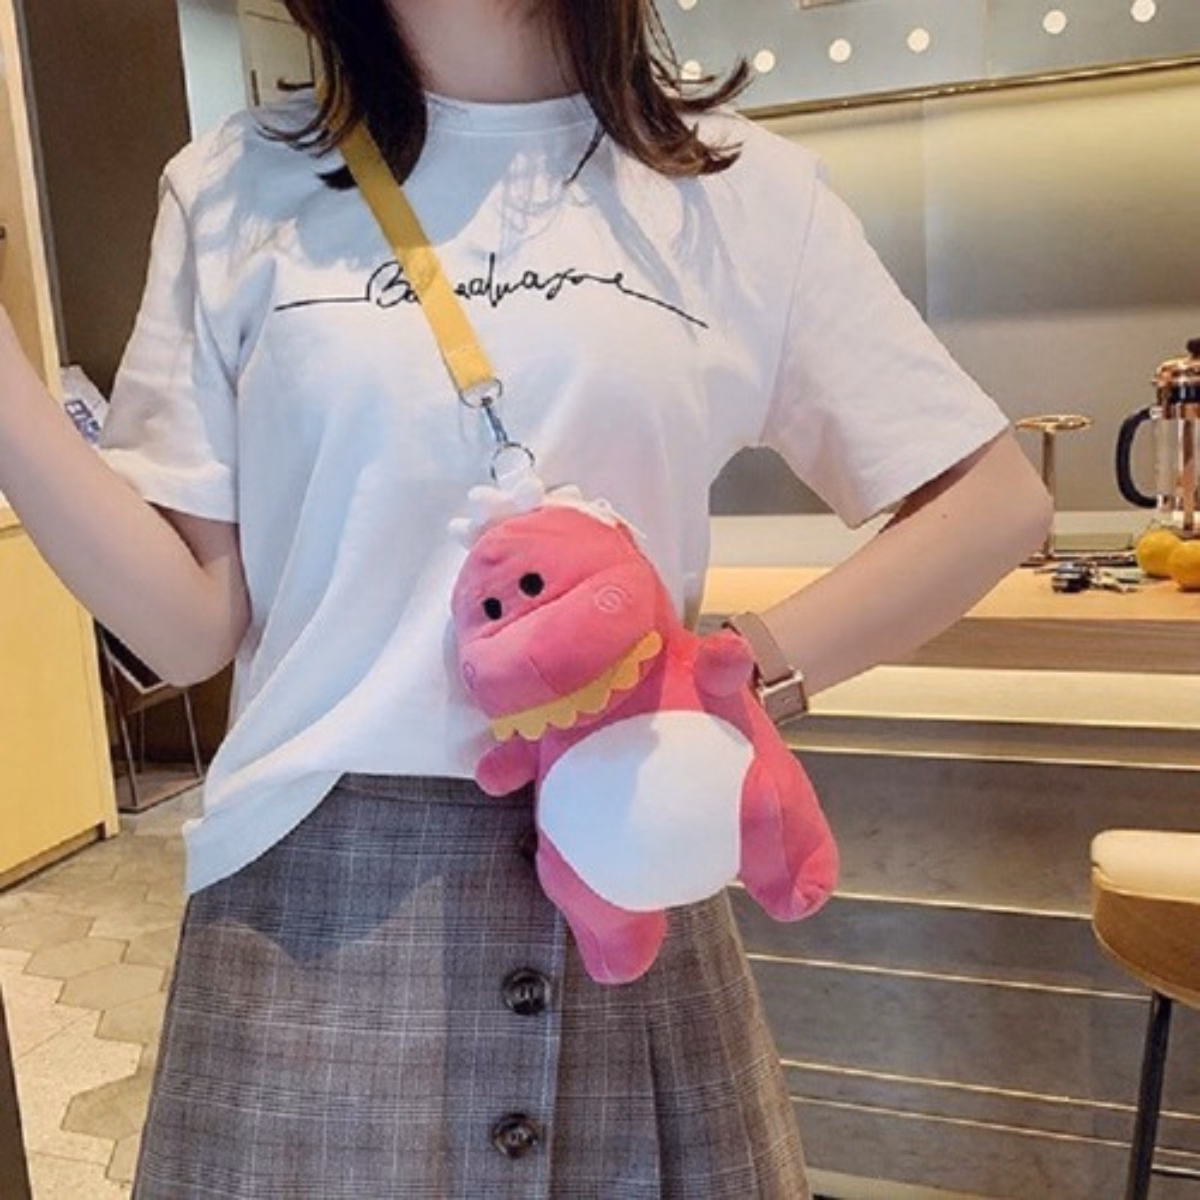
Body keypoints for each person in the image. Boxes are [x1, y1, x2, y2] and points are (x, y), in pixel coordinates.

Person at [0, 0, 1052, 1195]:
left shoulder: (739, 192)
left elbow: (995, 502)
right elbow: (185, 625)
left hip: (621, 871)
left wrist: (732, 675)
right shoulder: (235, 186)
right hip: (316, 899)